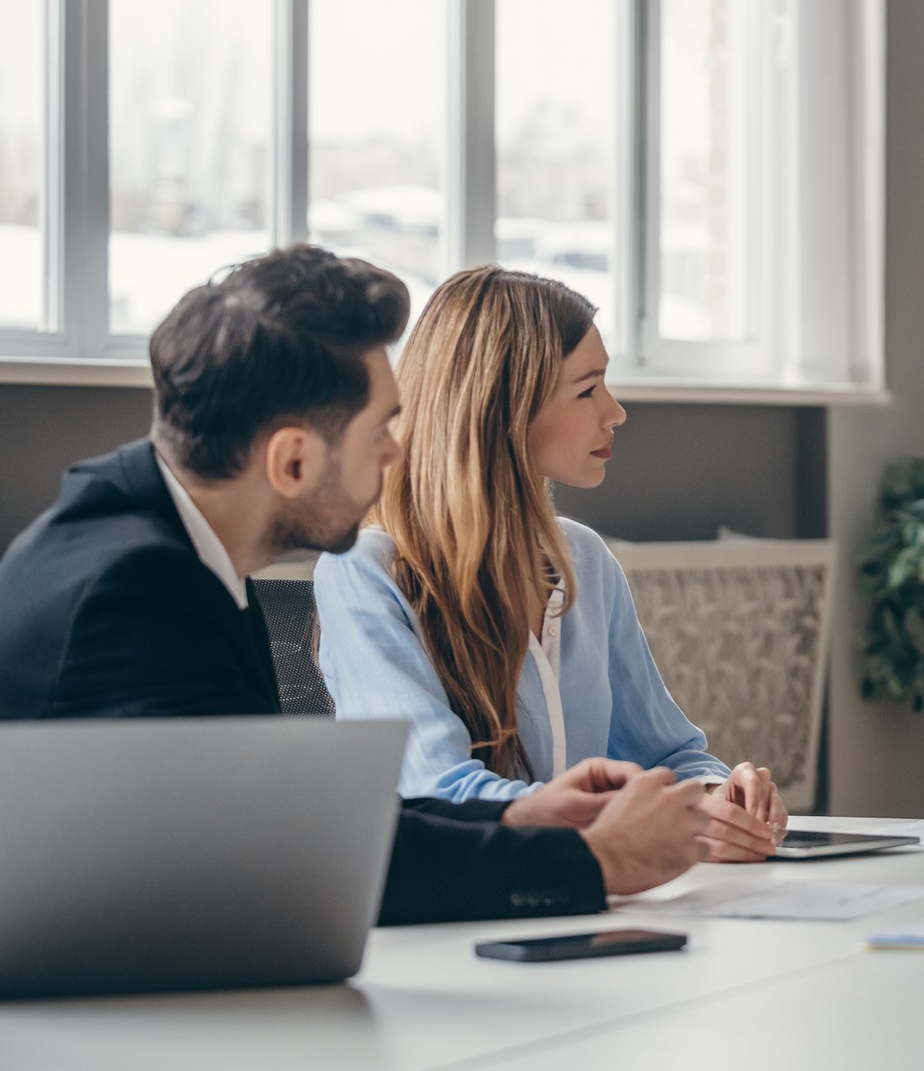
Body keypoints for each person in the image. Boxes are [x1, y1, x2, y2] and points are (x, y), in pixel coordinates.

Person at [0, 245, 730, 925]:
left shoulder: (176, 555)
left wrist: (515, 819)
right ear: (292, 460)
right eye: (381, 430)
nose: (398, 452)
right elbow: (282, 864)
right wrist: (593, 860)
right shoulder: (131, 592)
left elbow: (286, 822)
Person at [314, 266, 787, 860]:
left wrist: (719, 795)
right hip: (468, 901)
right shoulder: (367, 571)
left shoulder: (583, 559)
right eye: (587, 390)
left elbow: (667, 754)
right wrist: (609, 830)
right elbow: (433, 789)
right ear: (501, 407)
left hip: (589, 892)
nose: (615, 412)